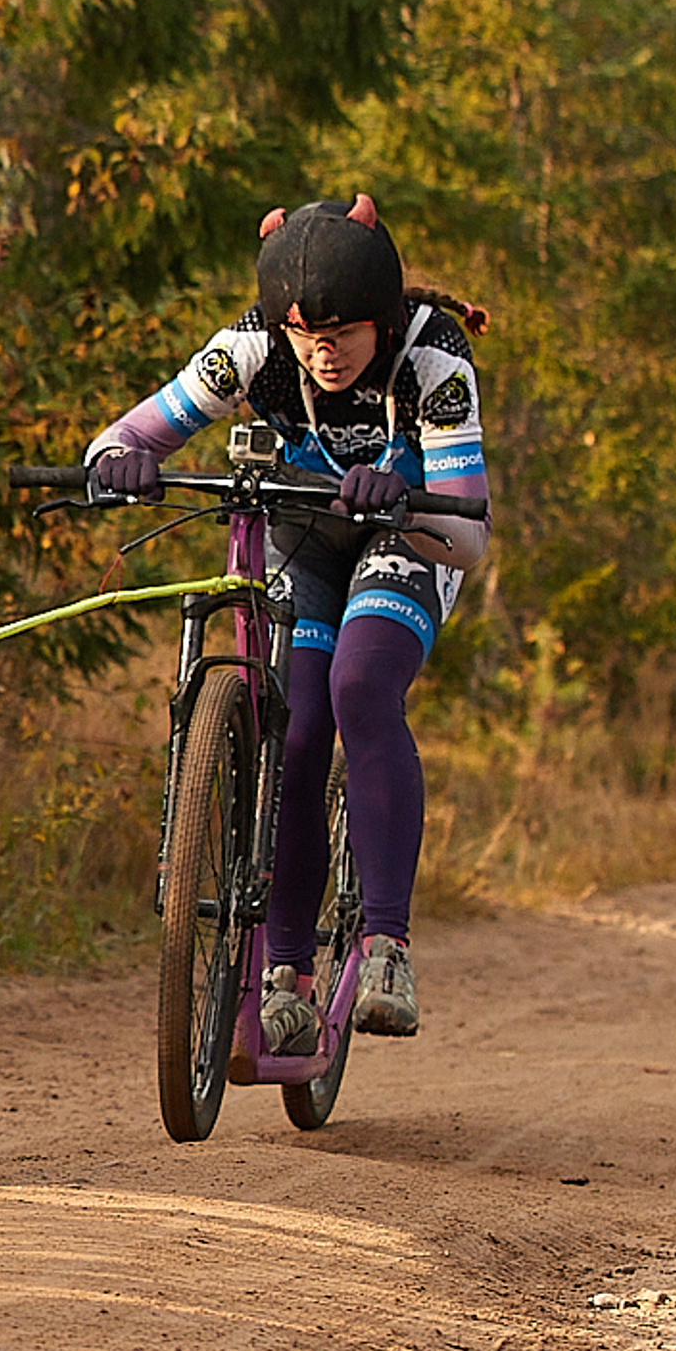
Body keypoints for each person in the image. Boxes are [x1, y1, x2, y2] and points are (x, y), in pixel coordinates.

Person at [81, 193, 491, 1051]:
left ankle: (385, 946)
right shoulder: (250, 351)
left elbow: (467, 533)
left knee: (360, 688)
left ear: (381, 319)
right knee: (297, 733)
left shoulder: (434, 357)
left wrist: (405, 507)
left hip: (405, 542)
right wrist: (122, 464)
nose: (322, 350)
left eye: (342, 331)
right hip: (302, 542)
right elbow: (126, 435)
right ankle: (287, 976)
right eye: (305, 332)